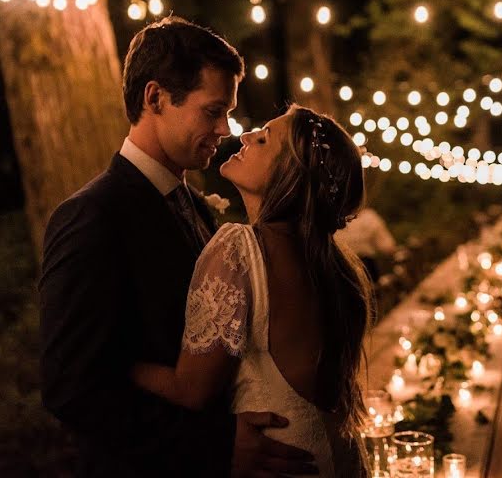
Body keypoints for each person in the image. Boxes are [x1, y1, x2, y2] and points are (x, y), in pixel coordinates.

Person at [40, 17, 316, 477]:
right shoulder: (92, 217)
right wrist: (214, 446)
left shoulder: (197, 207)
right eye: (213, 111)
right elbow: (71, 389)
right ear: (155, 98)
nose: (225, 129)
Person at [131, 105, 373, 477]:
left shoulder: (239, 249)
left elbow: (191, 388)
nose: (244, 137)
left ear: (287, 174)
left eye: (263, 139)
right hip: (339, 460)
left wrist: (118, 362)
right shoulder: (338, 267)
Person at [335, 206, 396, 282]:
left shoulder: (331, 219)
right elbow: (388, 247)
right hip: (366, 269)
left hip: (337, 270)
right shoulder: (369, 218)